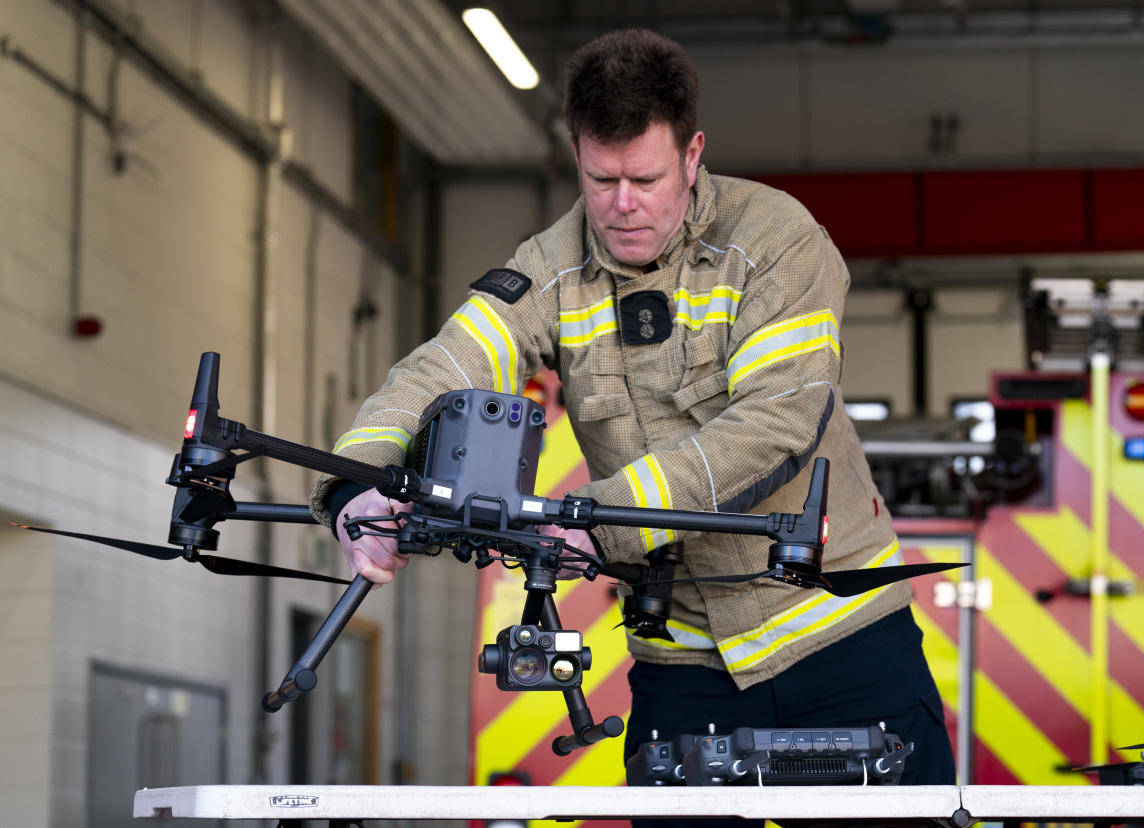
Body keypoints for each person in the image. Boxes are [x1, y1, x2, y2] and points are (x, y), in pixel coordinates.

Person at [311, 27, 954, 822]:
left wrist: (605, 526)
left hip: (841, 641)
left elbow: (776, 420)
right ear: (576, 156)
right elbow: (442, 368)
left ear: (692, 156)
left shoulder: (776, 240)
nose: (620, 205)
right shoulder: (549, 268)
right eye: (599, 177)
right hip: (681, 665)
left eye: (645, 178)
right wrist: (357, 485)